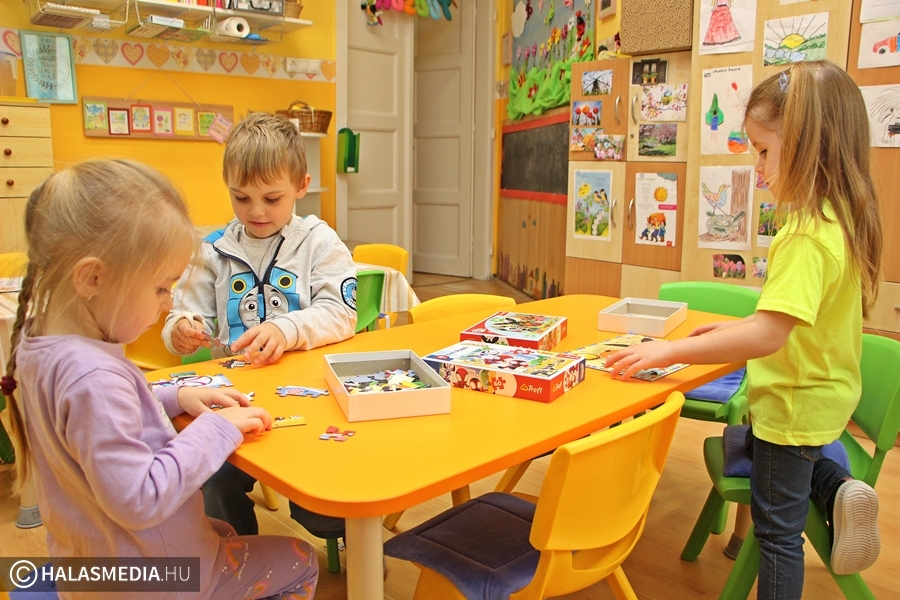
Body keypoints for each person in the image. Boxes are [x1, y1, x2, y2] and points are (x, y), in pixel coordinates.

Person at [605, 61, 883, 599]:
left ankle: (828, 491)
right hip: (821, 402)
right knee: (759, 448)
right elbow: (791, 320)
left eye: (763, 151)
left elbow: (768, 337)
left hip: (791, 409)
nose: (757, 169)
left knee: (777, 533)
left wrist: (671, 351)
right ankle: (836, 487)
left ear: (807, 146)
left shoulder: (804, 237)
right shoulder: (837, 219)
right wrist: (738, 324)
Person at [2, 159, 318, 599]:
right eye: (160, 288)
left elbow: (100, 417)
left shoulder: (40, 344)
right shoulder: (92, 375)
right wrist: (217, 429)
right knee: (301, 559)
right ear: (92, 278)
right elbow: (141, 497)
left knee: (223, 529)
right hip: (152, 582)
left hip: (87, 565)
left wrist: (176, 396)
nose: (168, 304)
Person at [162, 112, 357, 537]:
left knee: (323, 510)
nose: (255, 211)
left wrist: (286, 329)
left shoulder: (319, 242)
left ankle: (349, 543)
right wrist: (181, 328)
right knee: (215, 476)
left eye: (271, 198)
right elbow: (185, 313)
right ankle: (234, 554)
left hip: (309, 397)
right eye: (241, 197)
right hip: (236, 398)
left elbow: (342, 313)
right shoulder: (212, 250)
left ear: (301, 186)